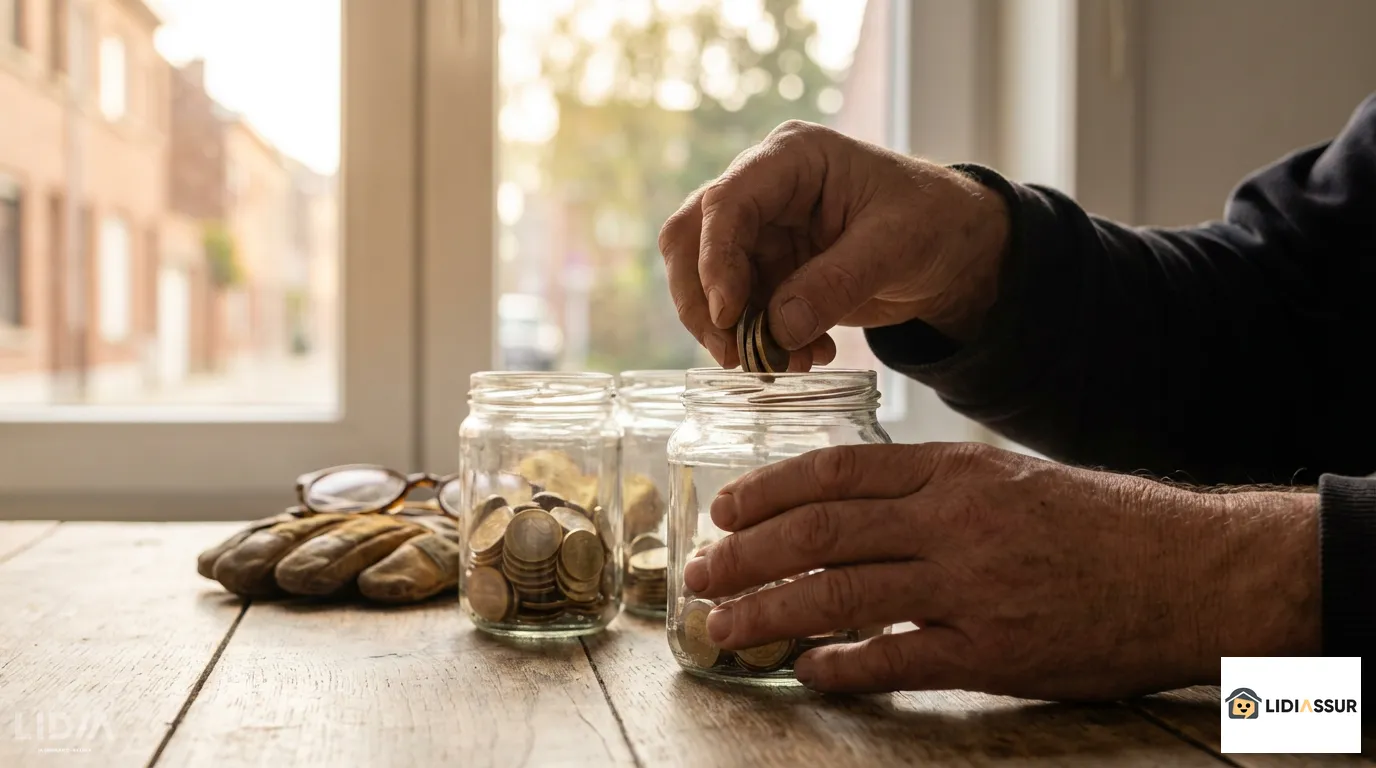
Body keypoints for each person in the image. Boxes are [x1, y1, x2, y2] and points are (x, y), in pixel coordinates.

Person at [656, 94, 1376, 700]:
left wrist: (1191, 579)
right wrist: (980, 262)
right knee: (1246, 719)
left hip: (1316, 695)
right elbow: (1293, 310)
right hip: (1314, 699)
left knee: (1248, 720)